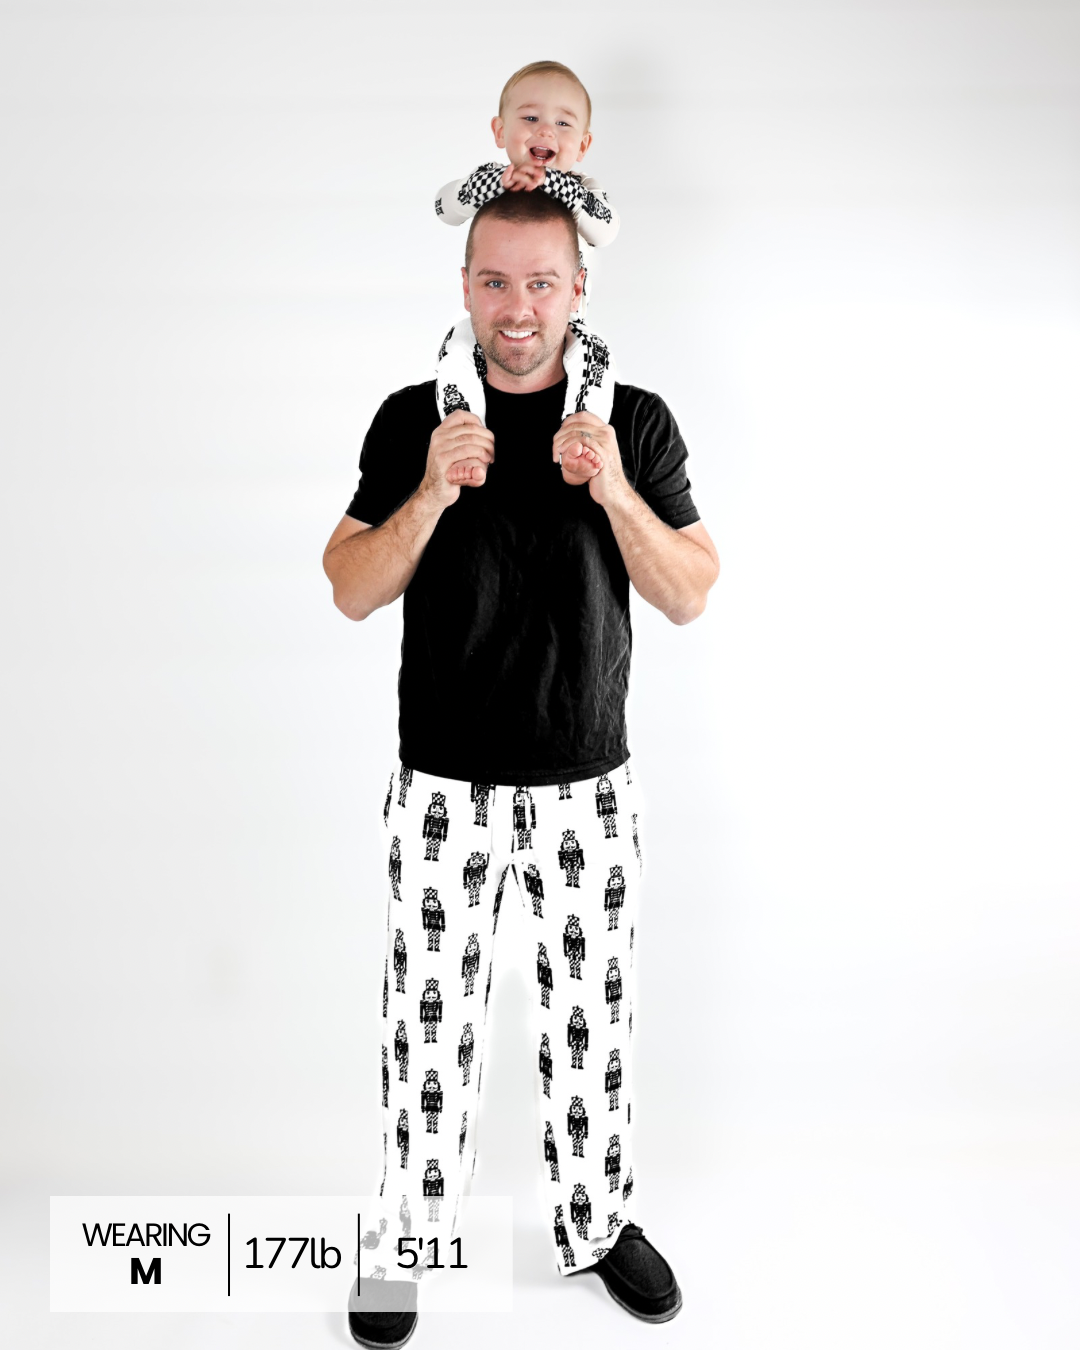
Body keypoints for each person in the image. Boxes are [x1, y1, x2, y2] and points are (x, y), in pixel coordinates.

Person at [323, 187, 719, 1348]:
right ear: (465, 287)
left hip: (585, 782)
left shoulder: (633, 420)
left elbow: (692, 591)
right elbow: (348, 586)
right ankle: (410, 1234)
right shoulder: (415, 418)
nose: (517, 307)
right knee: (425, 1029)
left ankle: (597, 1227)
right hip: (443, 783)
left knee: (596, 1019)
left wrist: (615, 487)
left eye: (541, 283)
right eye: (495, 281)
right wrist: (434, 488)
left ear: (577, 289)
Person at [433, 59, 619, 426]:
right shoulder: (489, 180)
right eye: (531, 118)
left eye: (563, 123)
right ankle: (462, 422)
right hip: (489, 325)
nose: (545, 131)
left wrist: (553, 183)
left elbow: (605, 230)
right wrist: (494, 183)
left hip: (564, 323)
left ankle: (583, 426)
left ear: (583, 144)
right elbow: (443, 206)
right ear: (500, 131)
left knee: (593, 353)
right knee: (456, 345)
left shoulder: (582, 189)